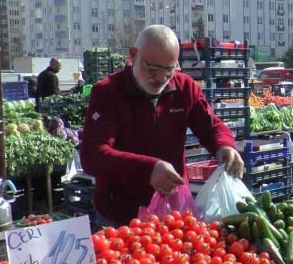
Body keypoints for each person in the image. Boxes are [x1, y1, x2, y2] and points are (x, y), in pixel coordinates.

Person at [80, 25, 245, 226]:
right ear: (134, 55)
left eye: (168, 70)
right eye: (152, 68)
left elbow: (211, 126)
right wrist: (148, 170)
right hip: (122, 215)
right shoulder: (107, 92)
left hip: (173, 211)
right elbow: (92, 155)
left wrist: (224, 146)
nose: (160, 78)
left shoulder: (185, 87)